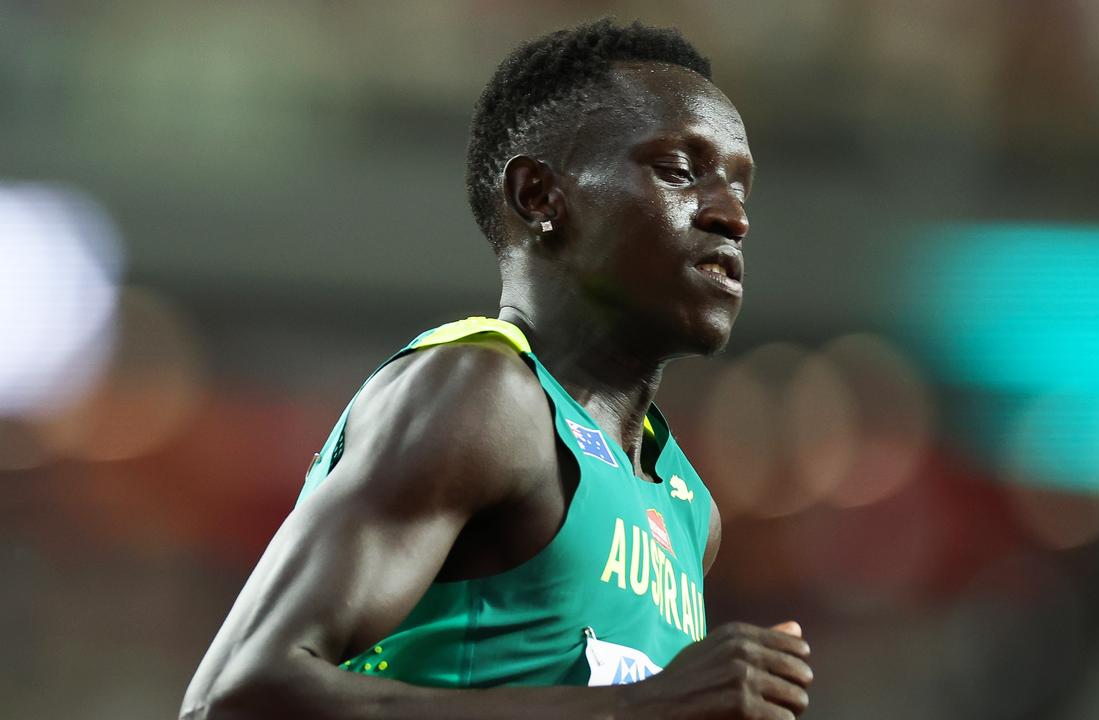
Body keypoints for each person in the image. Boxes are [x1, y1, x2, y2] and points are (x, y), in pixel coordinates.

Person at [181, 19, 812, 720]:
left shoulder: (691, 511)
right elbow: (236, 697)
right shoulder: (481, 395)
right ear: (539, 196)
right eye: (680, 171)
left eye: (741, 188)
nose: (732, 216)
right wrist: (638, 710)